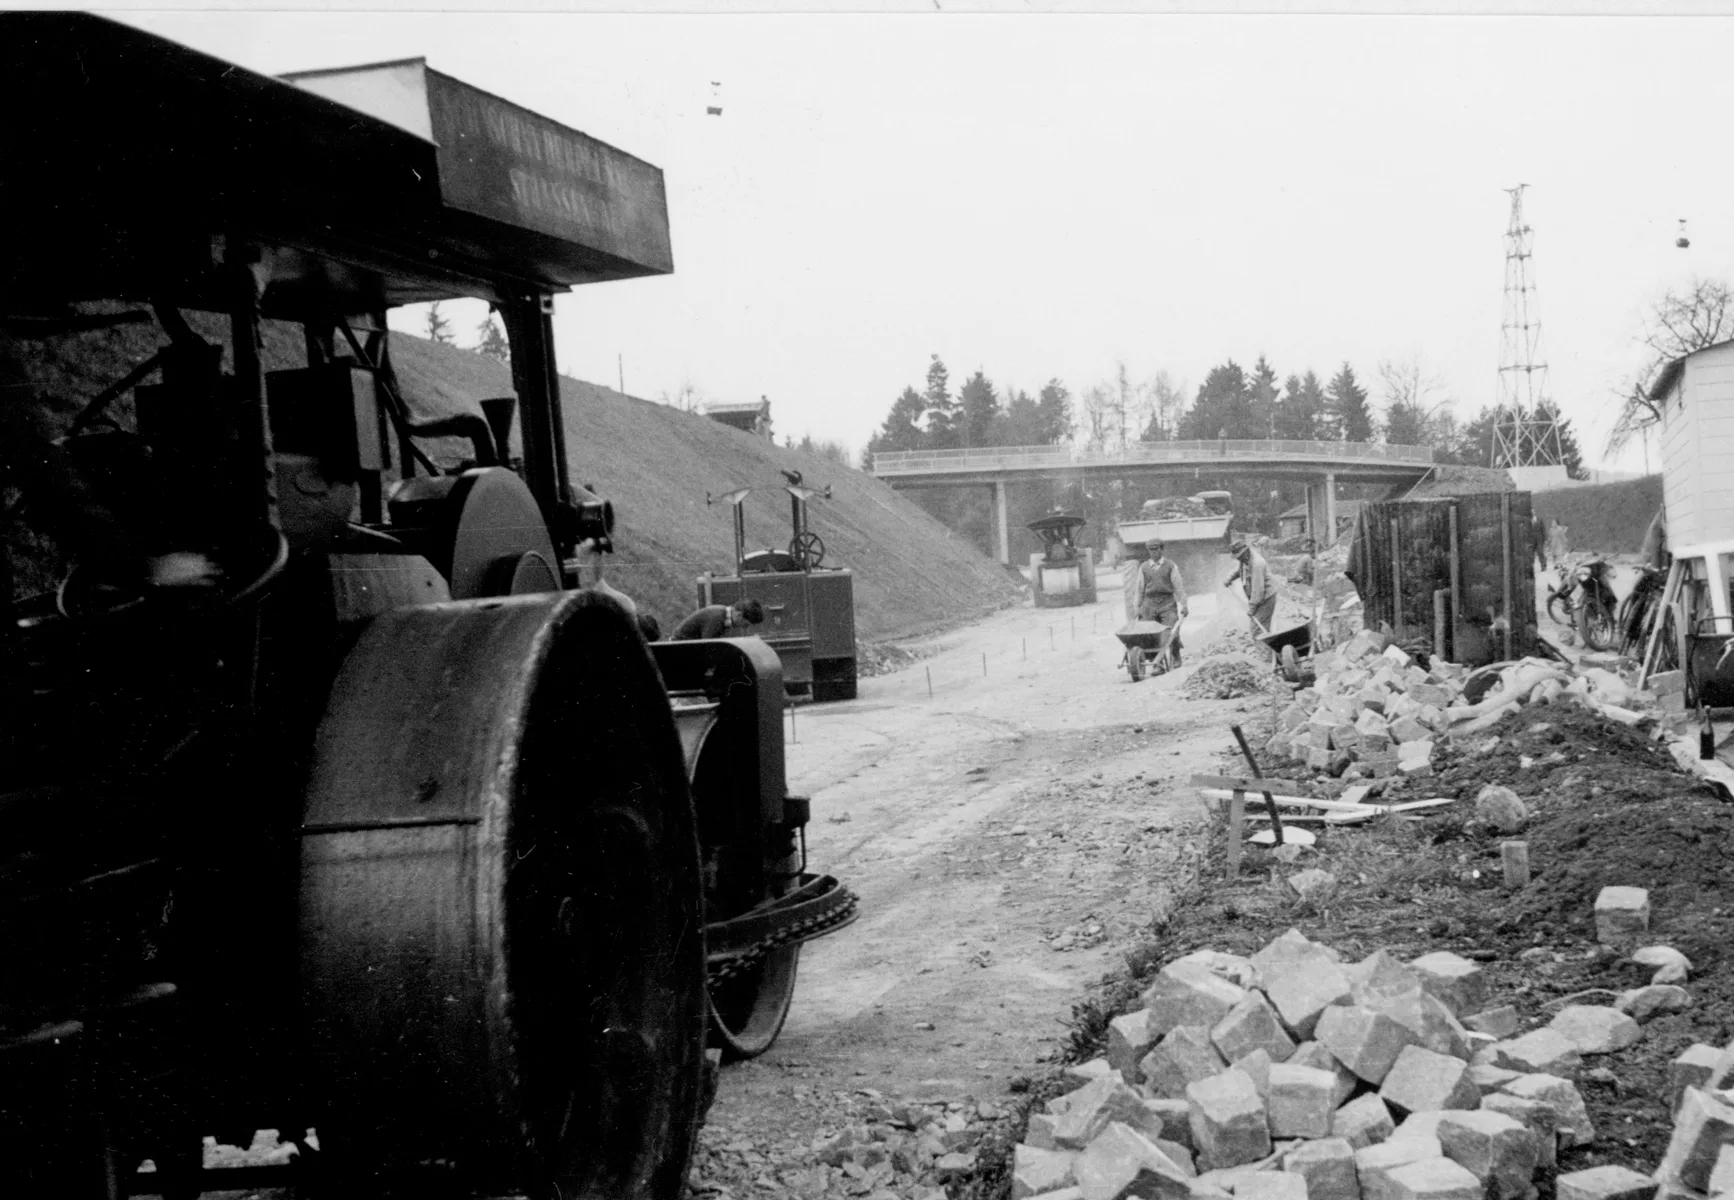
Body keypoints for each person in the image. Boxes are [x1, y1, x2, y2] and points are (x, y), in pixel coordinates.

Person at [1136, 539, 1187, 666]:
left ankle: (1175, 655)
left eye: (1156, 549)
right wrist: (1137, 607)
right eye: (1151, 550)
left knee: (1172, 629)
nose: (1154, 552)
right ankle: (1157, 664)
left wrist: (1184, 605)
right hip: (1150, 604)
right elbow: (1139, 589)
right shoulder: (1143, 568)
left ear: (1162, 549)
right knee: (1147, 632)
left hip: (1167, 603)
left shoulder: (1171, 566)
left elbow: (1179, 587)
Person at [1225, 538, 1278, 637]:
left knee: (1257, 630)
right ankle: (1267, 650)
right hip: (1260, 599)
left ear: (1245, 552)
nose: (1238, 559)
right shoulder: (1245, 559)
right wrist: (1230, 578)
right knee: (1260, 629)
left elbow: (1258, 592)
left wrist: (1251, 609)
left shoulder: (1257, 563)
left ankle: (1264, 652)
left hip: (1266, 599)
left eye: (1239, 557)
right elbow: (1239, 570)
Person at [669, 598, 766, 641]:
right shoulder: (717, 619)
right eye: (745, 624)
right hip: (679, 649)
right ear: (739, 615)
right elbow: (707, 648)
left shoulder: (722, 613)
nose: (744, 628)